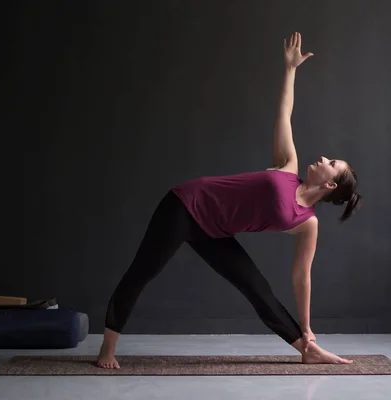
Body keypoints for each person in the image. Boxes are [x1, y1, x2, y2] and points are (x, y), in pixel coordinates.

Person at [97, 31, 362, 369]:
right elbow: (285, 112)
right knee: (143, 271)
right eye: (329, 158)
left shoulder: (307, 223)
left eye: (331, 164)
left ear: (329, 185)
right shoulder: (288, 166)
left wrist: (308, 328)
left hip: (215, 231)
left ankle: (306, 349)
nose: (324, 159)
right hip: (185, 205)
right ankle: (107, 348)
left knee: (256, 286)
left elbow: (301, 277)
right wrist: (290, 69)